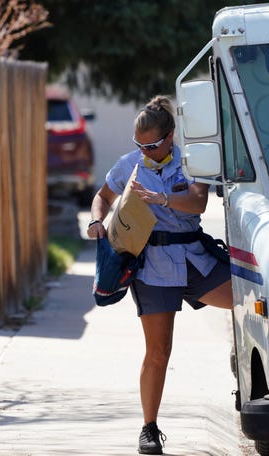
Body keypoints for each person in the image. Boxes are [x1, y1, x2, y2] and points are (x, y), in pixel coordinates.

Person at [87, 95, 233, 455]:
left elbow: (199, 202)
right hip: (152, 267)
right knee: (158, 351)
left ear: (170, 137)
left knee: (252, 303)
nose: (145, 151)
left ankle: (244, 362)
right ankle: (149, 429)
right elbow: (101, 197)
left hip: (195, 258)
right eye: (140, 145)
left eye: (152, 145)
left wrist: (160, 198)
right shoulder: (129, 165)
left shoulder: (190, 162)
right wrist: (96, 221)